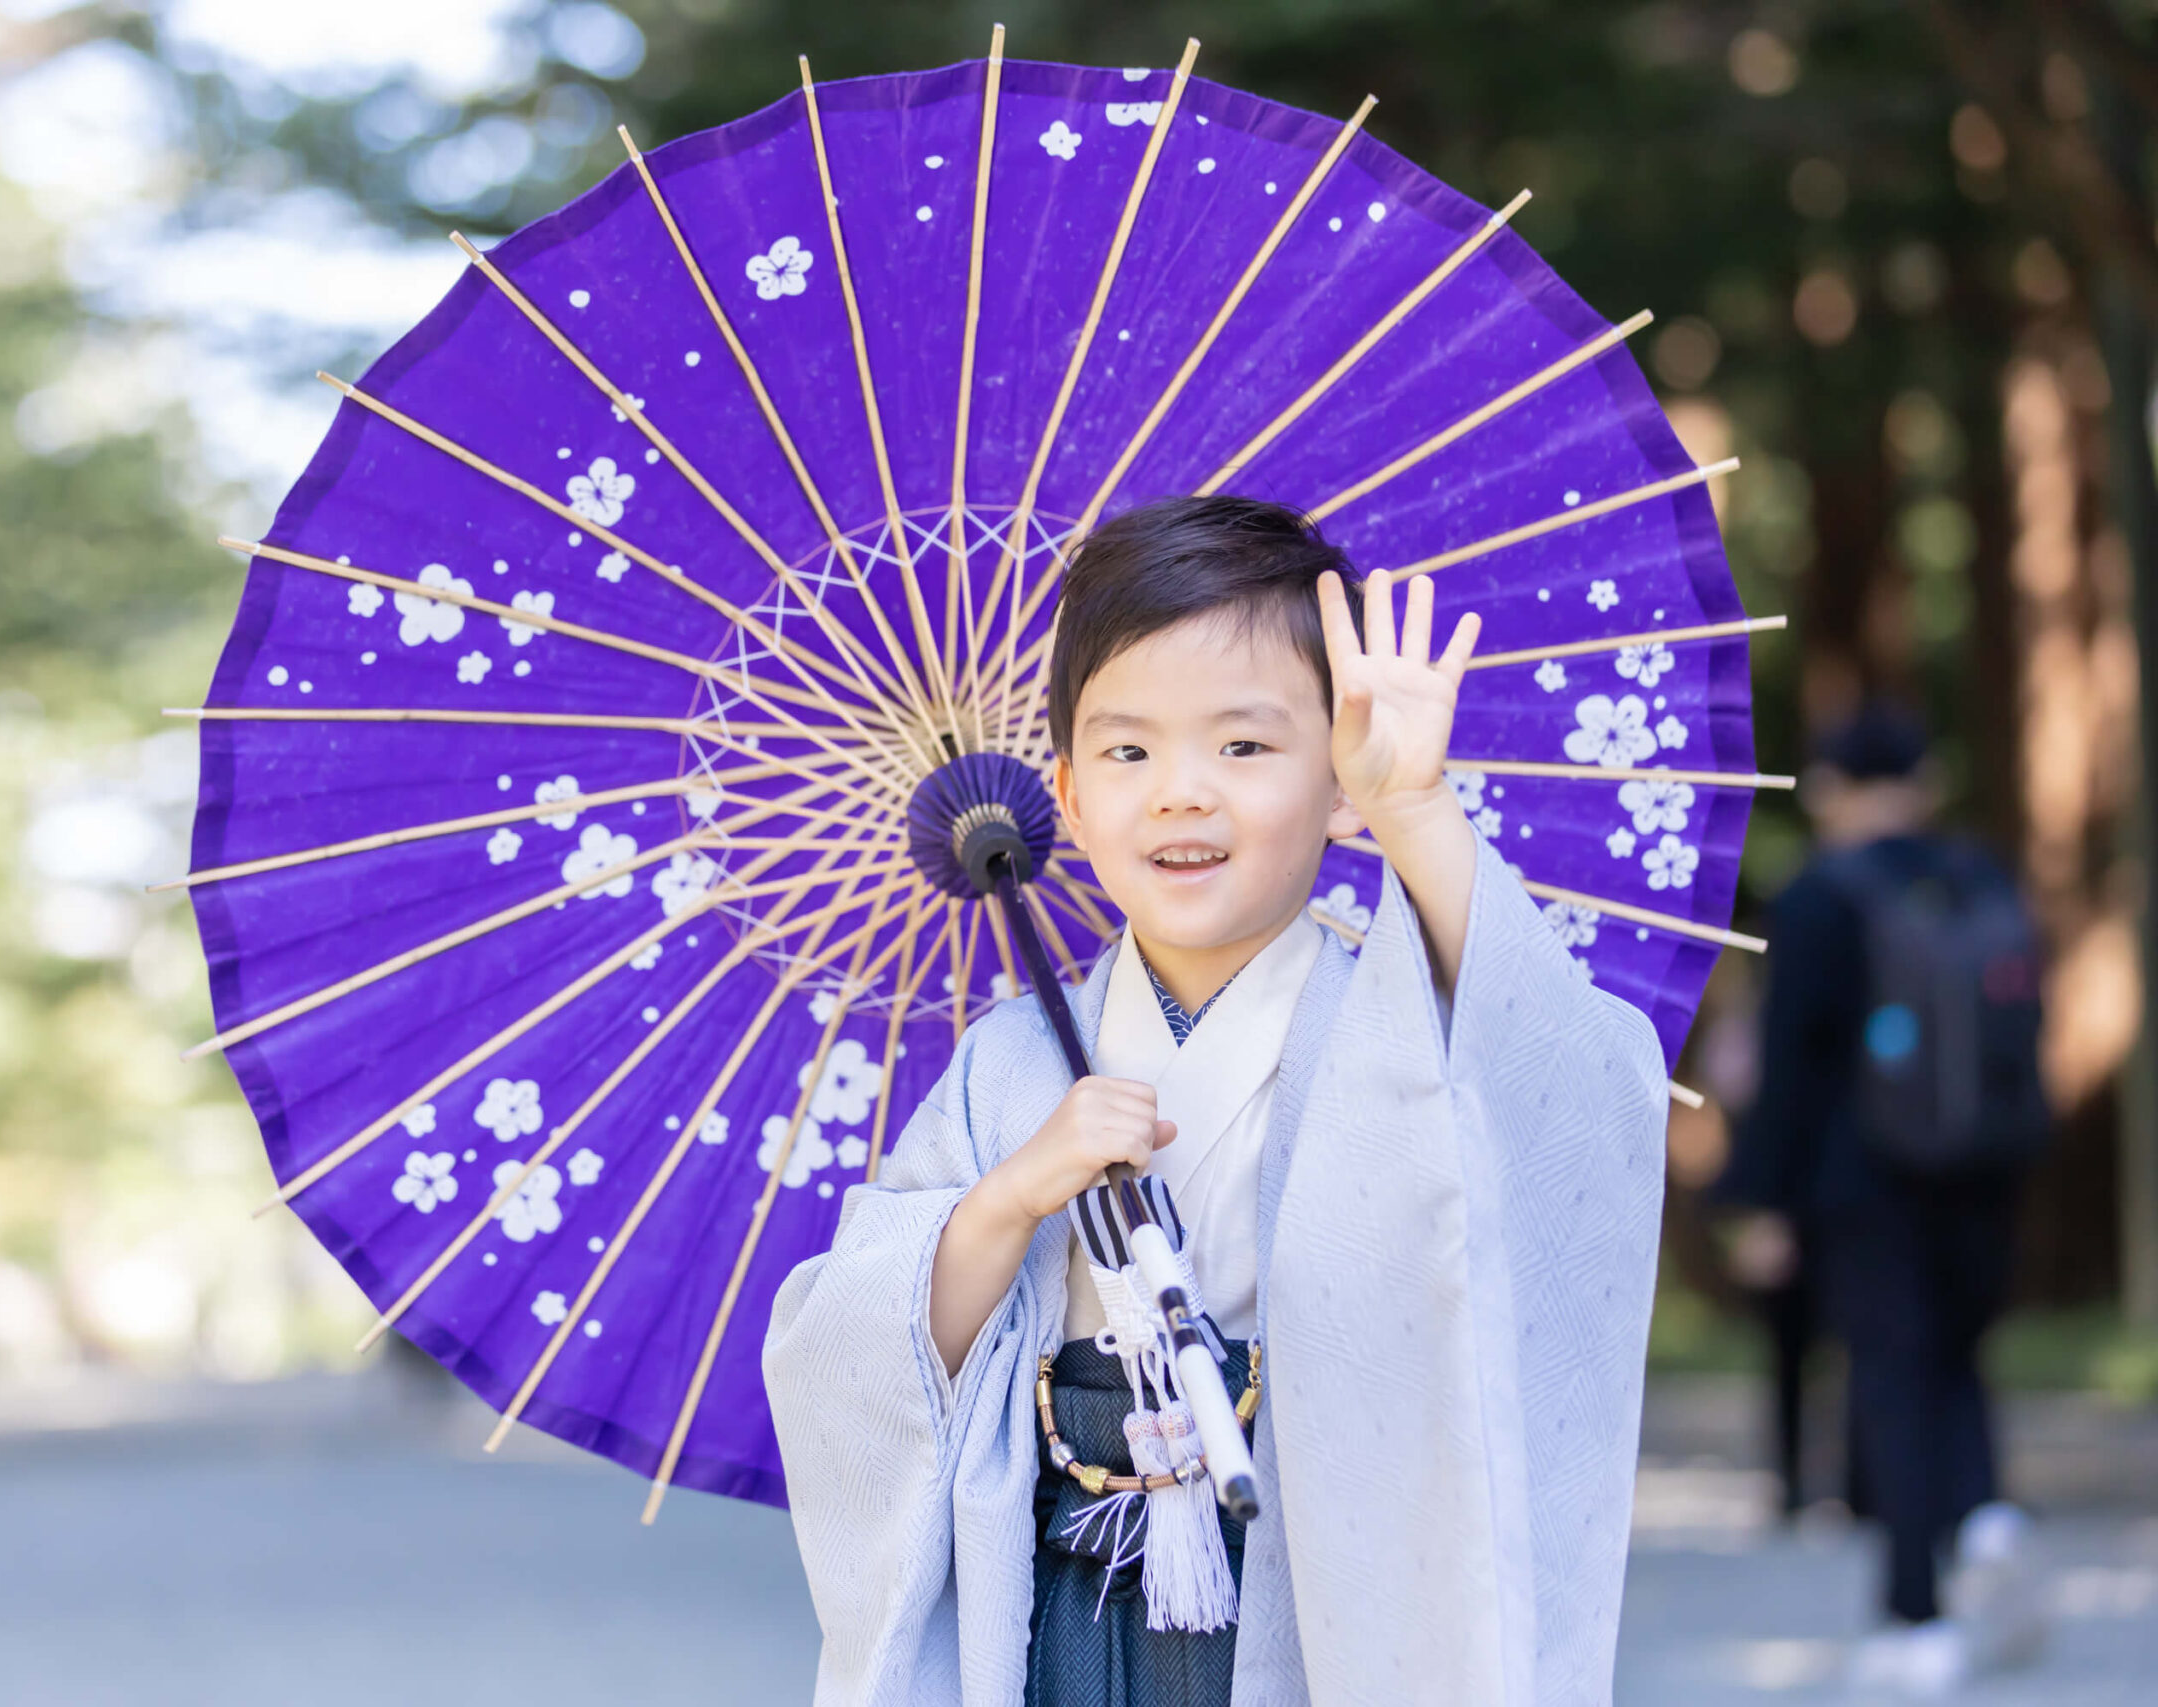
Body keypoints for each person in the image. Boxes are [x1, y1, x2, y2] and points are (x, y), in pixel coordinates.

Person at [764, 497, 1671, 1706]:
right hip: (1066, 1596)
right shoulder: (1009, 1066)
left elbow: (1574, 1105)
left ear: (1340, 781)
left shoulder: (1397, 1032)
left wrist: (1418, 815)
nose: (1181, 793)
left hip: (1322, 1589)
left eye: (1242, 748)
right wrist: (1011, 1195)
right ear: (1067, 797)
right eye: (1128, 751)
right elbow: (849, 1351)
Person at [1715, 703, 2046, 1694]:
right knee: (1957, 1352)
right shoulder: (1979, 877)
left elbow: (1791, 1072)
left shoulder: (1822, 897)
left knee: (1890, 1378)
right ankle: (1984, 1513)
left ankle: (1917, 1617)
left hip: (1864, 1181)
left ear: (1826, 790)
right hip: (1985, 1169)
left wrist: (1761, 1199)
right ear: (1926, 781)